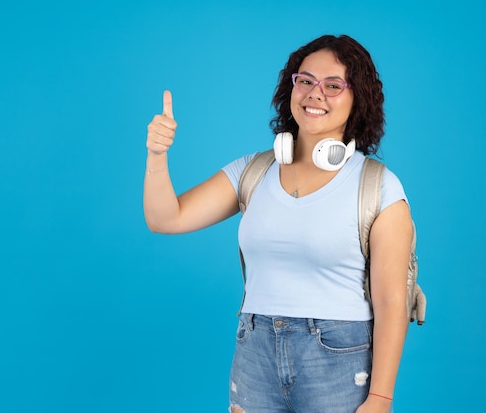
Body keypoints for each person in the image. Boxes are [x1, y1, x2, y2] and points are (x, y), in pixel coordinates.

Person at [143, 34, 411, 413]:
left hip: (338, 358)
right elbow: (164, 218)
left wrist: (381, 397)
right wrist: (157, 156)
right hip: (256, 353)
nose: (315, 94)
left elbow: (391, 304)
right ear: (292, 87)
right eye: (305, 81)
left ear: (358, 99)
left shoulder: (378, 186)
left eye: (333, 86)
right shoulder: (253, 171)